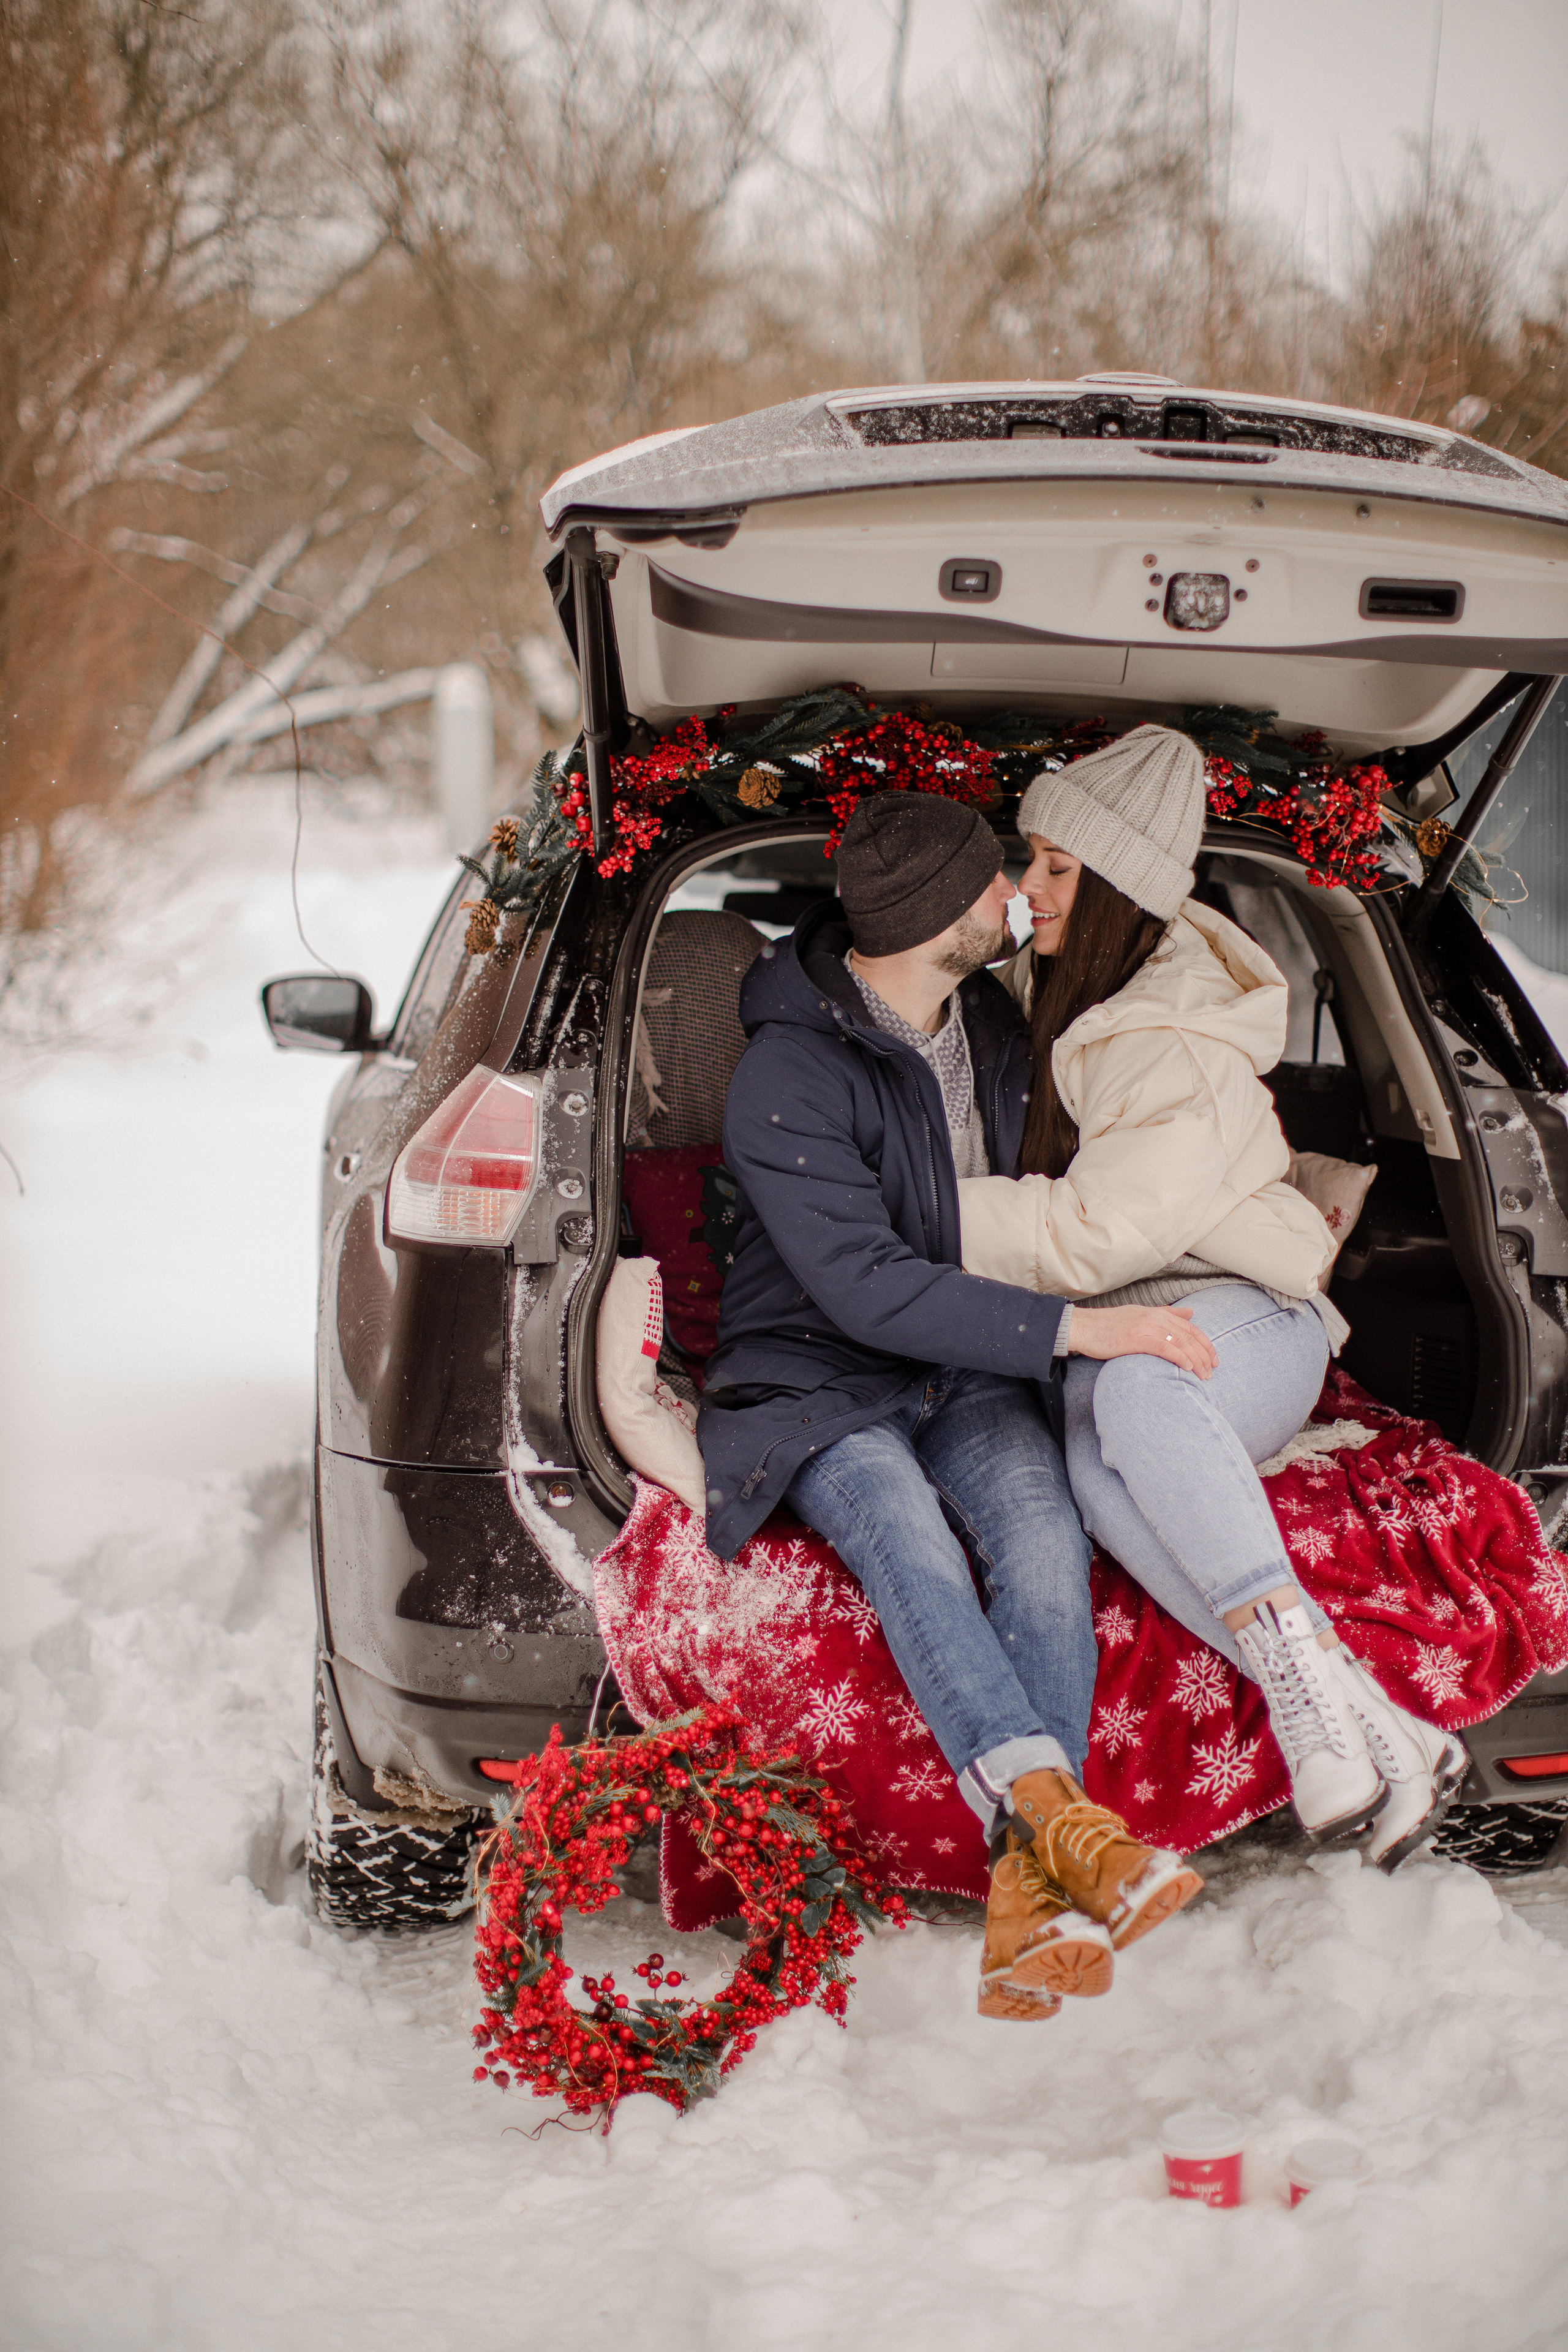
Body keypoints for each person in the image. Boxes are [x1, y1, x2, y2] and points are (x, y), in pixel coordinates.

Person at [699, 790, 1207, 2025]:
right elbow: (867, 1289)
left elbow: (1145, 1017)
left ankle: (1028, 1910)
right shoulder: (783, 1075)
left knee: (1040, 1541)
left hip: (969, 1365)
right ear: (935, 915)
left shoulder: (989, 1015)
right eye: (996, 884)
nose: (1018, 899)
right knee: (907, 1540)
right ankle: (1061, 1831)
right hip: (817, 1376)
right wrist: (1079, 1329)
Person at [958, 724, 1468, 1873]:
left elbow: (1092, 1240)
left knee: (1134, 1400)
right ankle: (1382, 1724)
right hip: (1133, 1327)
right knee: (1094, 1472)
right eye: (1028, 858)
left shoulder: (1169, 1042)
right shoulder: (1067, 985)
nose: (1026, 886)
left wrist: (920, 1216)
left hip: (1246, 1318)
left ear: (1120, 891)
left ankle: (1306, 1712)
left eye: (1055, 867)